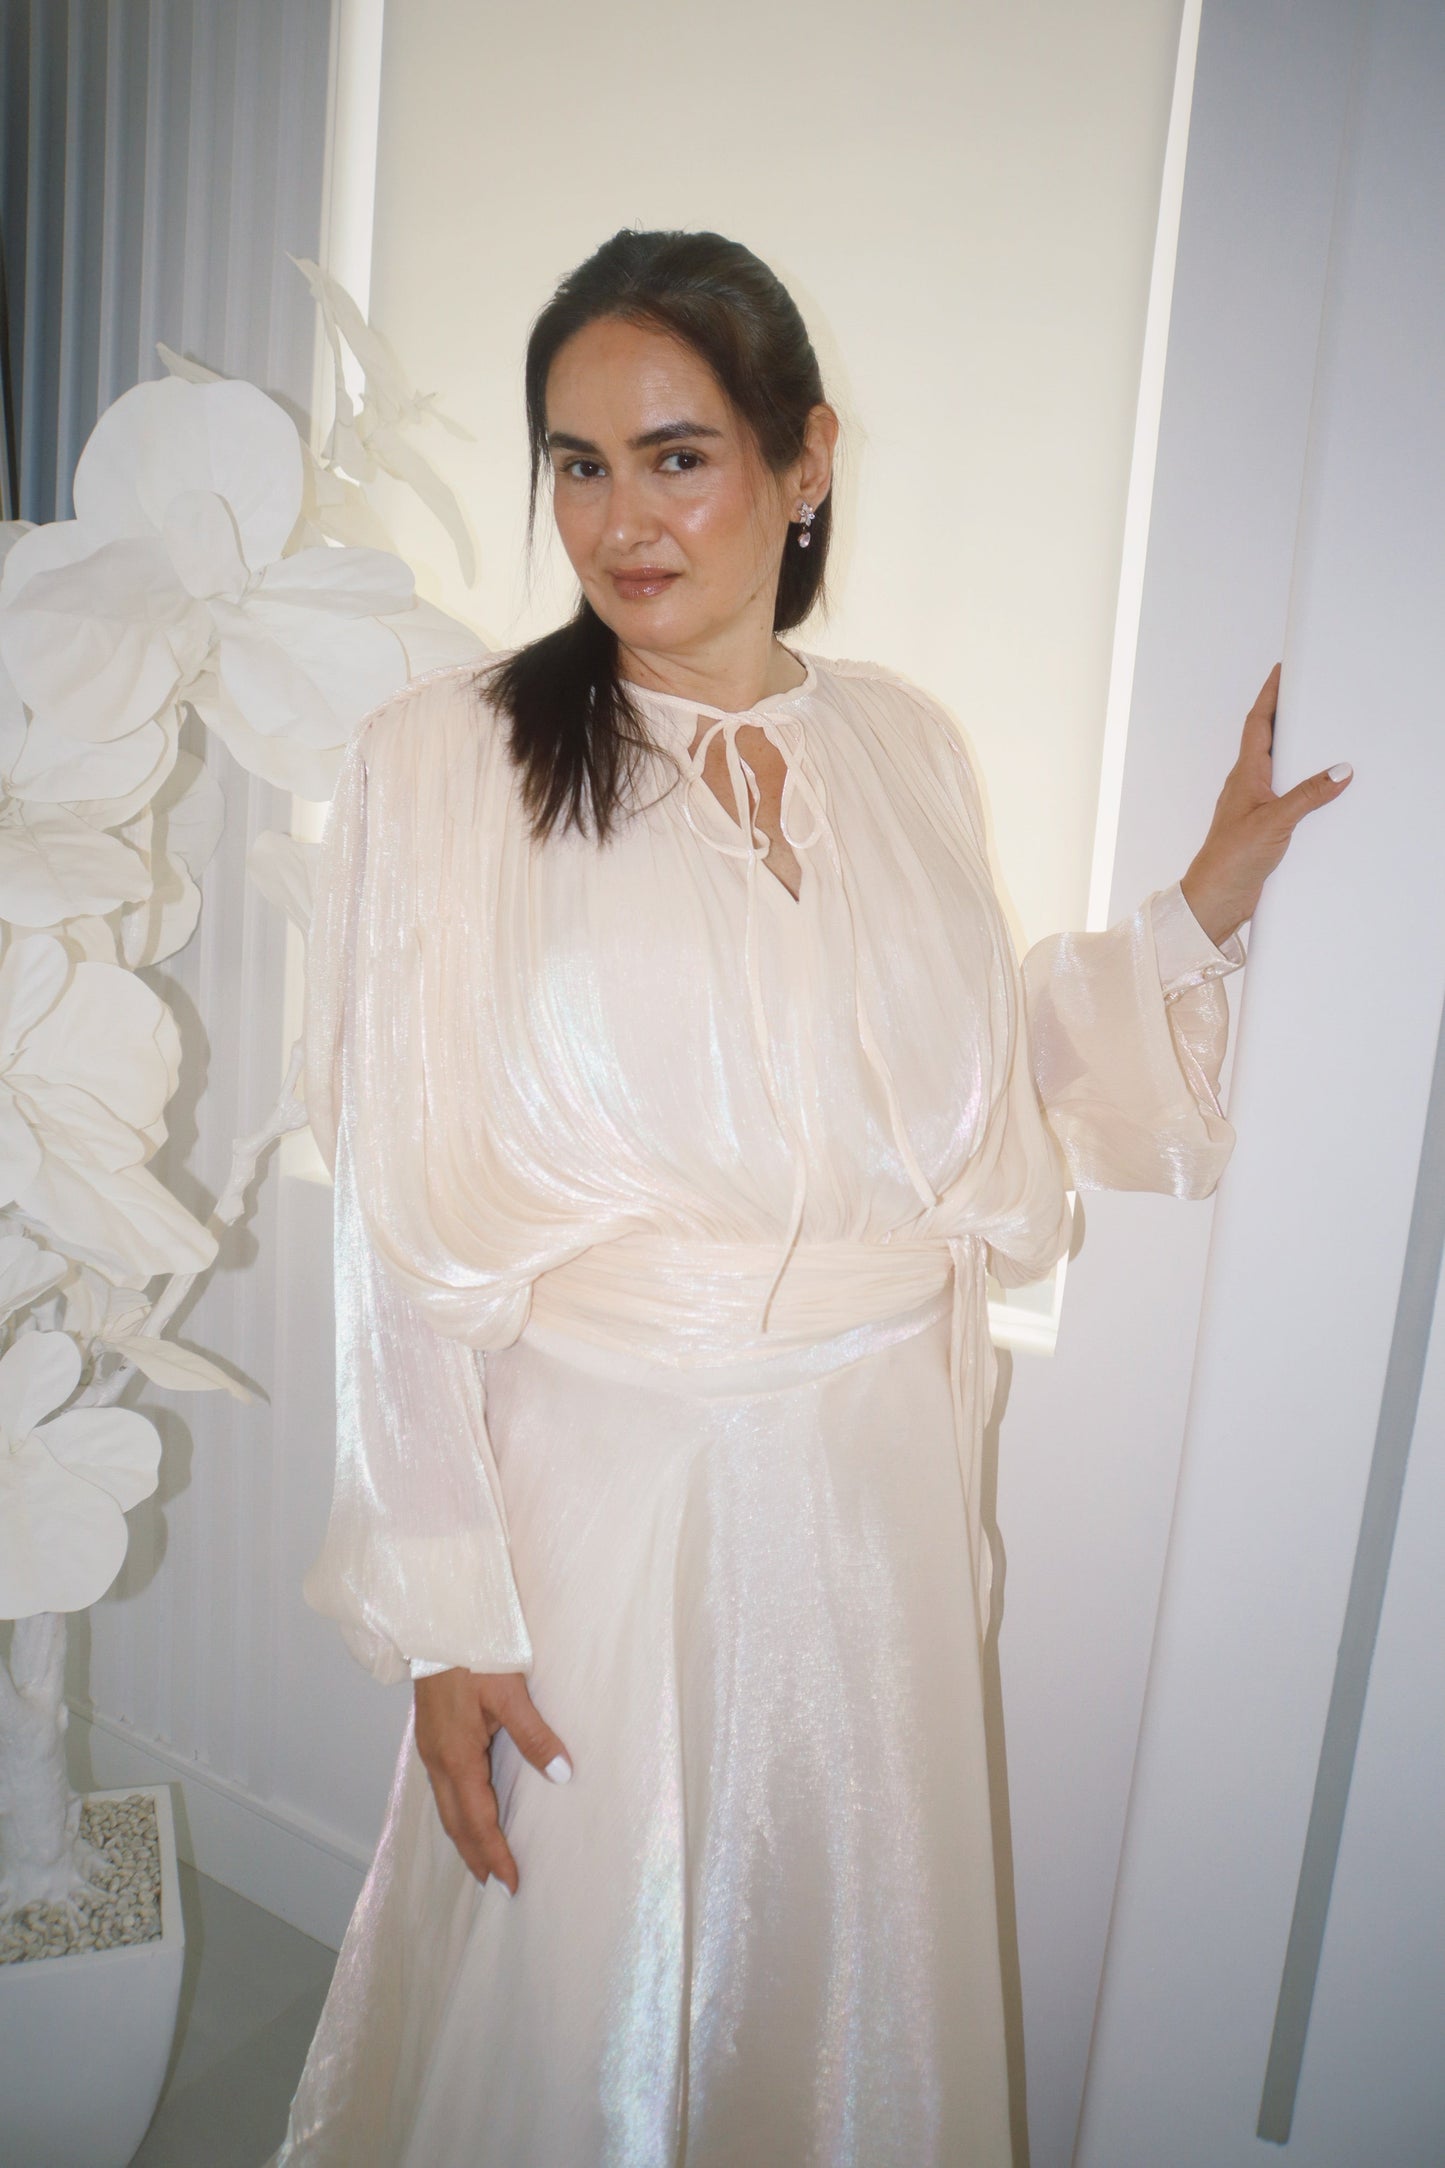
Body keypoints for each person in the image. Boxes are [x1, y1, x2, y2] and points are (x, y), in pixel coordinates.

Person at [272, 228, 1351, 2168]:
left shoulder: (905, 747)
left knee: (843, 1997)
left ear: (805, 462)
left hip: (871, 1512)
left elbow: (959, 1077)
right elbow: (396, 1229)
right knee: (576, 2003)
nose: (619, 520)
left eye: (675, 456)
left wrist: (1201, 906)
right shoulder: (444, 765)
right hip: (608, 1512)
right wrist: (441, 1615)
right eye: (577, 464)